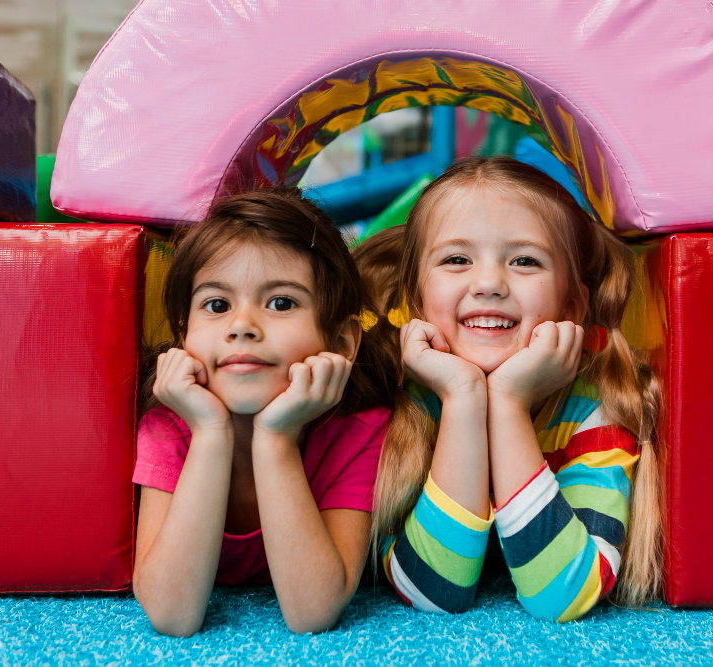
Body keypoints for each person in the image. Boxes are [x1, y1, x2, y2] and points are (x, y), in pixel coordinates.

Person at [356, 156, 662, 622]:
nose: (489, 284)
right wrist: (461, 397)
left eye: (524, 260)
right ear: (416, 298)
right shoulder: (402, 401)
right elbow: (432, 591)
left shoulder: (595, 407)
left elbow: (563, 595)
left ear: (573, 304)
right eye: (457, 260)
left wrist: (509, 404)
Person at [132, 189, 396, 636]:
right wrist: (211, 432)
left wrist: (276, 439)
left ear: (343, 342)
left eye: (281, 303)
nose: (242, 326)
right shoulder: (170, 425)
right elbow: (171, 615)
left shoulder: (360, 431)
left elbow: (313, 611)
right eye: (217, 306)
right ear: (184, 338)